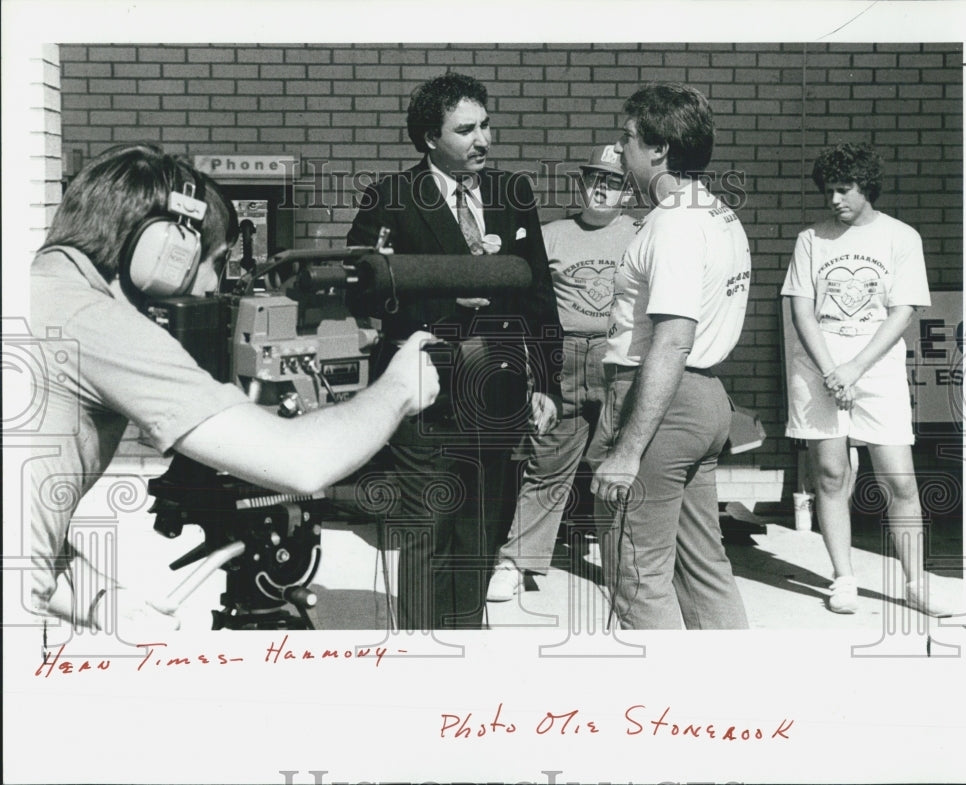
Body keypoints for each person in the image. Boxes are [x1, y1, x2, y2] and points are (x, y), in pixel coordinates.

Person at [29, 144, 440, 637]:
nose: (208, 288)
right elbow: (301, 464)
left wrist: (102, 601)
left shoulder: (38, 293)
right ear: (168, 251)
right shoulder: (94, 322)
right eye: (214, 261)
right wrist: (398, 388)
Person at [347, 73, 562, 630]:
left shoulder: (512, 193)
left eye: (486, 124)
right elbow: (362, 292)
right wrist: (445, 297)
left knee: (481, 528)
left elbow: (539, 292)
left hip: (499, 388)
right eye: (466, 129)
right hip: (426, 388)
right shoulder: (390, 198)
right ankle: (422, 646)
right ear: (428, 139)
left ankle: (467, 640)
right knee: (427, 525)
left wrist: (546, 382)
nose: (482, 139)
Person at [588, 84, 752, 630]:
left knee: (636, 571)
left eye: (627, 138)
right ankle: (735, 702)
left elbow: (674, 338)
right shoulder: (715, 211)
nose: (618, 152)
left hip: (662, 401)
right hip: (703, 399)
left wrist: (628, 450)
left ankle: (666, 708)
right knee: (704, 567)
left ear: (658, 149)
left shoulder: (675, 222)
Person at [782, 142, 949, 617]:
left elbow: (903, 312)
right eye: (828, 191)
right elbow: (801, 309)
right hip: (818, 370)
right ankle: (844, 578)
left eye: (844, 189)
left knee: (899, 477)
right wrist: (832, 370)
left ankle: (916, 582)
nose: (835, 200)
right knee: (831, 474)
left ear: (866, 187)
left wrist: (855, 368)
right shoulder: (811, 239)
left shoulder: (901, 237)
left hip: (877, 370)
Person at [487, 144, 638, 601]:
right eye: (594, 179)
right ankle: (515, 563)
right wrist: (538, 377)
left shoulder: (642, 233)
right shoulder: (550, 235)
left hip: (619, 356)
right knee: (547, 463)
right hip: (564, 357)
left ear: (628, 193)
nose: (601, 188)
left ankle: (623, 571)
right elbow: (527, 307)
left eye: (612, 182)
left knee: (618, 467)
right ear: (581, 183)